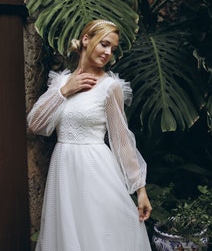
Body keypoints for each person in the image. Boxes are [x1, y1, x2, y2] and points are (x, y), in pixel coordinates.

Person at [27, 19, 152, 251]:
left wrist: (141, 190)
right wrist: (65, 91)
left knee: (101, 235)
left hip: (96, 170)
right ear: (86, 39)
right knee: (68, 235)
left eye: (112, 49)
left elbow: (121, 140)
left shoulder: (110, 87)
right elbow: (35, 123)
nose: (108, 53)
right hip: (64, 170)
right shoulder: (62, 82)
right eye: (104, 44)